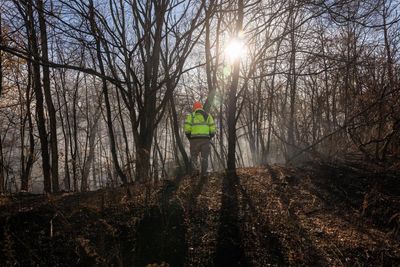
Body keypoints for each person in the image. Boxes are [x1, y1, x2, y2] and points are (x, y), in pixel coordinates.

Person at [184, 101, 216, 176]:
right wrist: (209, 136)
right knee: (204, 157)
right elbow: (212, 128)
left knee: (194, 156)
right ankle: (204, 173)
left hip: (194, 139)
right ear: (201, 107)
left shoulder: (191, 116)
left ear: (194, 108)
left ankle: (195, 171)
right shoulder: (208, 115)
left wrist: (190, 137)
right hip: (205, 139)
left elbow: (187, 129)